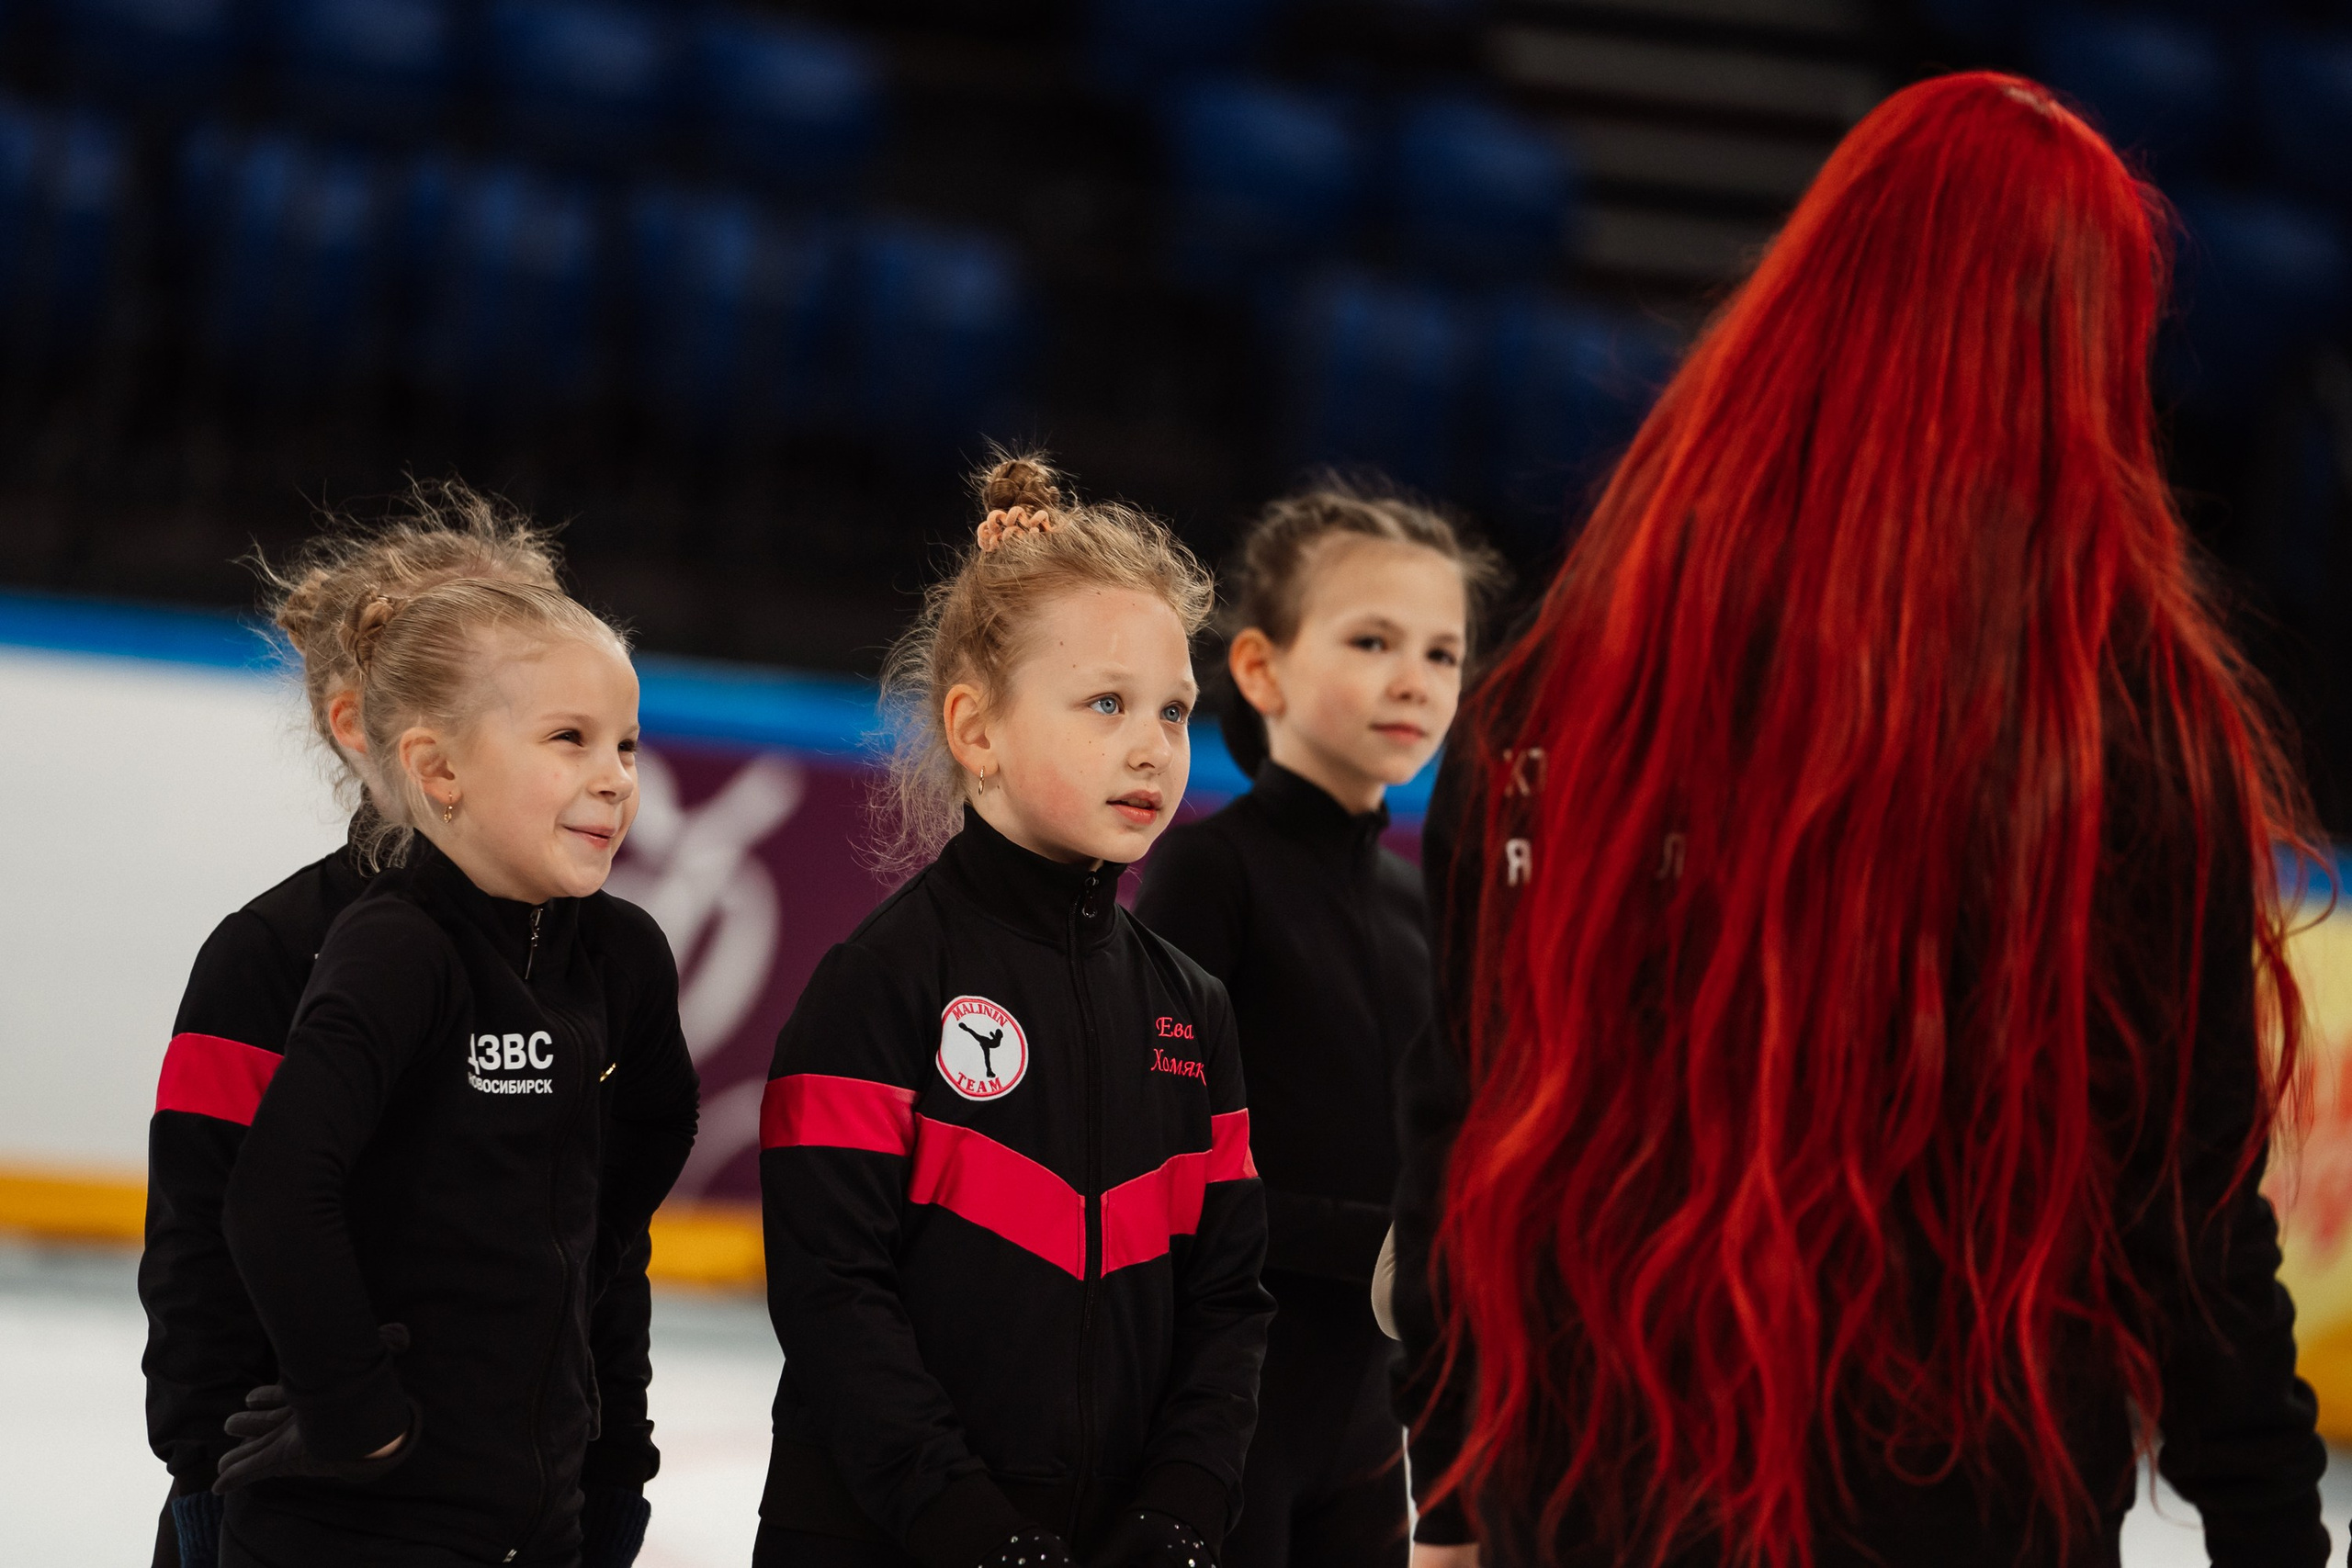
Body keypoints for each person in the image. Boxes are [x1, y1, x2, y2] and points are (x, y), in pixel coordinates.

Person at [1391, 72, 2334, 1568]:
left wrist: (1448, 1495)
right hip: (1953, 1502)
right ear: (2080, 354)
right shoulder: (2127, 737)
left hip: (1600, 1493)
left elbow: (1470, 1113)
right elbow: (2194, 1228)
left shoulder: (1569, 684)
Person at [753, 456, 1272, 1568]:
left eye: (1175, 713)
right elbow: (830, 1295)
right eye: (1105, 704)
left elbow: (1230, 1303)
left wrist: (1182, 1510)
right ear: (976, 731)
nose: (1151, 746)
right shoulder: (878, 983)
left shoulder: (1196, 1011)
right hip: (882, 1537)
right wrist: (963, 1525)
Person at [137, 486, 669, 1568]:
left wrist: (613, 1466)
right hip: (306, 1507)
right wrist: (206, 1483)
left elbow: (592, 1256)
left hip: (526, 1510)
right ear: (374, 726)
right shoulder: (269, 954)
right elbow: (207, 1245)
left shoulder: (594, 956)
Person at [1133, 482, 1499, 1568]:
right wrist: (1385, 1246)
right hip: (1217, 1408)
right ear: (1260, 668)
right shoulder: (1211, 874)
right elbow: (1157, 1158)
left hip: (1370, 1426)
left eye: (1443, 653)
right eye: (1373, 639)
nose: (1414, 680)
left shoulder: (1424, 899)